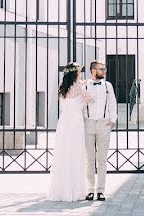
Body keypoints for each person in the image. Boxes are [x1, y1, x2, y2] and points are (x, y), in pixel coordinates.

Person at [47, 62, 93, 202]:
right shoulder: (79, 86)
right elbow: (90, 99)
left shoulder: (62, 87)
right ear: (76, 73)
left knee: (64, 154)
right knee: (76, 154)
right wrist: (85, 85)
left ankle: (62, 190)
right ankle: (75, 190)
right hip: (75, 123)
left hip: (64, 122)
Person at [84, 60, 117, 201]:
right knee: (90, 159)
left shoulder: (107, 86)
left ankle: (101, 190)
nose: (104, 71)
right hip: (88, 124)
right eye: (101, 69)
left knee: (102, 160)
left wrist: (112, 121)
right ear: (93, 70)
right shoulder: (84, 85)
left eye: (104, 69)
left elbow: (112, 103)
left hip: (104, 125)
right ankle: (90, 190)